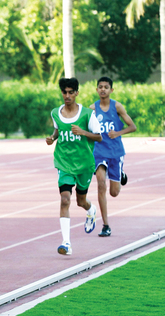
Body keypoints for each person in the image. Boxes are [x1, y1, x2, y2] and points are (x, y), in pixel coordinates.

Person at [45, 77, 102, 255]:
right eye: (64, 92)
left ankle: (91, 210)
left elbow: (99, 136)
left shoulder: (87, 114)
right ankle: (66, 243)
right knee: (65, 199)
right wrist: (52, 138)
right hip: (64, 162)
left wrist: (83, 132)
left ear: (77, 93)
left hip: (84, 164)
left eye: (71, 92)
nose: (67, 96)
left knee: (81, 201)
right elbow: (57, 131)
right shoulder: (55, 113)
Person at [89, 76, 137, 237]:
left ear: (111, 90)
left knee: (114, 192)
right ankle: (105, 225)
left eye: (106, 87)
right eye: (100, 87)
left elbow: (133, 126)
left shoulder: (117, 106)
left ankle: (120, 173)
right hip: (99, 152)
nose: (103, 89)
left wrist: (118, 133)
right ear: (96, 90)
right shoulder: (92, 110)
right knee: (101, 184)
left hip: (116, 152)